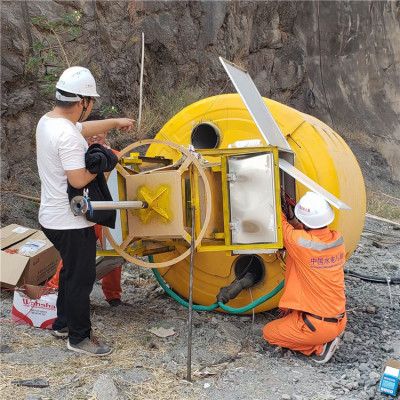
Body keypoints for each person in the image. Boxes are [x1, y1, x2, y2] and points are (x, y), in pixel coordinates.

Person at [36, 66, 134, 356]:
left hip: (51, 216)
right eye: (90, 104)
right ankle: (79, 338)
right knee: (80, 278)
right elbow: (78, 179)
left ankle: (63, 323)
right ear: (82, 102)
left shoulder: (48, 121)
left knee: (69, 272)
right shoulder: (66, 135)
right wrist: (102, 157)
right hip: (70, 221)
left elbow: (81, 128)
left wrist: (114, 123)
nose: (90, 110)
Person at [47, 115, 123, 307]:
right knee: (74, 253)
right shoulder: (77, 153)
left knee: (113, 251)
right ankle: (54, 287)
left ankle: (113, 295)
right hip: (84, 210)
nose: (95, 136)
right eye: (92, 133)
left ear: (106, 132)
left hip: (108, 209)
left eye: (100, 132)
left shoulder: (117, 155)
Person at [263, 191, 347, 364]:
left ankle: (319, 347)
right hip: (339, 319)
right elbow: (305, 237)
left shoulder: (299, 242)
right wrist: (295, 217)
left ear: (304, 222)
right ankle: (323, 337)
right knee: (287, 323)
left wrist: (274, 201)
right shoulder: (337, 240)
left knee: (269, 333)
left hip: (317, 326)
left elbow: (281, 224)